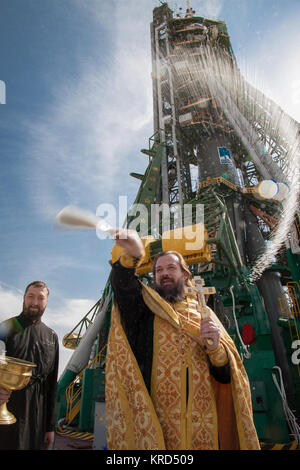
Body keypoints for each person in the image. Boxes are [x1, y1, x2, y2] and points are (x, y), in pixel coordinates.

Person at [106, 229, 260, 450]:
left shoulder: (203, 313)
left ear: (185, 275)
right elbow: (123, 288)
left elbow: (226, 377)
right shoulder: (147, 309)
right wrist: (132, 256)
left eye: (171, 268)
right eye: (159, 270)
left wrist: (216, 348)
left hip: (202, 424)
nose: (164, 273)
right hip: (158, 424)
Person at [0, 281, 59, 450]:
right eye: (30, 296)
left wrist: (50, 427)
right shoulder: (6, 327)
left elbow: (51, 385)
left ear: (46, 302)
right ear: (24, 298)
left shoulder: (51, 336)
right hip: (8, 413)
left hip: (37, 420)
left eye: (40, 298)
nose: (34, 302)